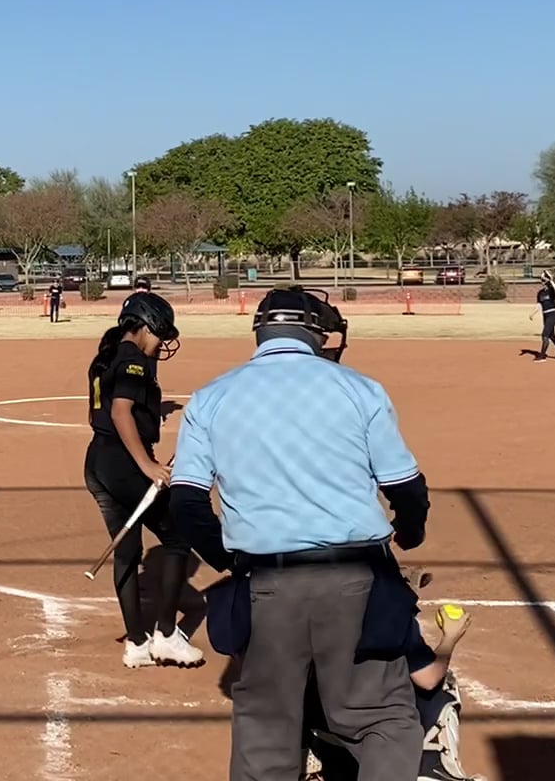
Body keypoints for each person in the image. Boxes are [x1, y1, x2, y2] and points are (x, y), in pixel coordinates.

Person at [170, 285, 430, 781]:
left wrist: (229, 561)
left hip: (266, 581)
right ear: (315, 333)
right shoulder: (359, 388)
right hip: (358, 575)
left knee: (266, 727)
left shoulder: (211, 397)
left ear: (260, 332)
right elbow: (406, 486)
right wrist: (410, 531)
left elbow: (186, 503)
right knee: (380, 717)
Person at [84, 291, 203, 669]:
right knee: (178, 537)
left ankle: (137, 642)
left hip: (98, 460)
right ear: (146, 326)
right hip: (122, 463)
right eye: (160, 335)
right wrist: (147, 465)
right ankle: (166, 635)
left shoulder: (106, 355)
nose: (162, 344)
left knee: (127, 549)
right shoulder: (133, 360)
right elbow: (121, 412)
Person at [305, 598, 479, 781]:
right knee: (441, 685)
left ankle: (308, 756)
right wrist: (450, 638)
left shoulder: (301, 598)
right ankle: (431, 765)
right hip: (380, 730)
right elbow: (428, 679)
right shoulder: (390, 602)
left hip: (321, 724)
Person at [532, 271, 555, 362]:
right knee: (551, 335)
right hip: (545, 315)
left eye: (543, 280)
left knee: (545, 335)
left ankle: (542, 356)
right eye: (541, 280)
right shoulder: (540, 293)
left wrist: (551, 280)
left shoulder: (551, 290)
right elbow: (539, 304)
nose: (542, 282)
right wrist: (532, 313)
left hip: (553, 314)